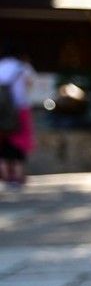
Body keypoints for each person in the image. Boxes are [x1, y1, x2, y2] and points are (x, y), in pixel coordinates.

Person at [0, 43, 36, 187]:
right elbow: (30, 84)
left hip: (1, 111)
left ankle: (5, 174)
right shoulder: (23, 68)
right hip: (20, 108)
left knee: (3, 142)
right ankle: (18, 174)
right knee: (20, 142)